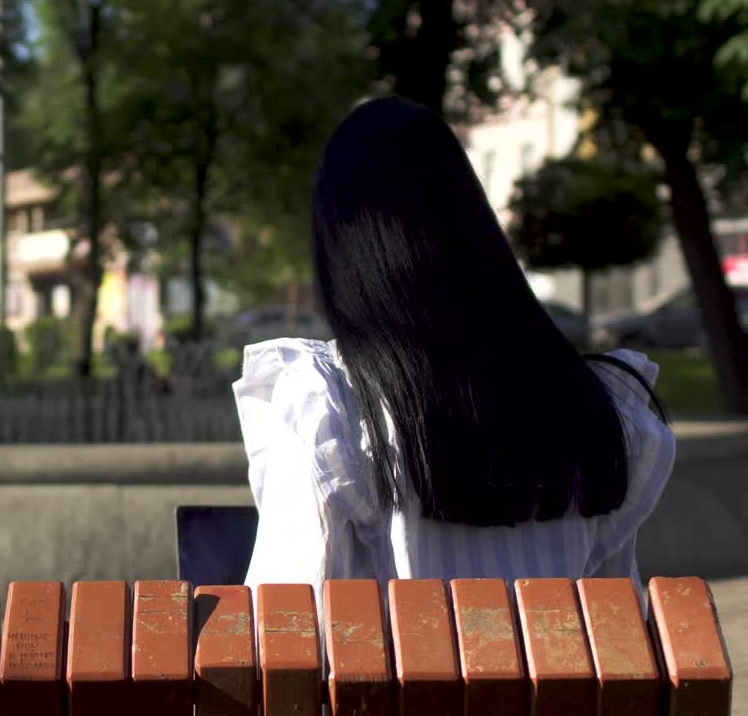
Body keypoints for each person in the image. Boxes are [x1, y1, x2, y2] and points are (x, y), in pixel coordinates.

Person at [233, 97, 674, 605]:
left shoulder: (332, 406)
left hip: (389, 687)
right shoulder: (595, 411)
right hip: (559, 687)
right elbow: (619, 632)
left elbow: (279, 633)